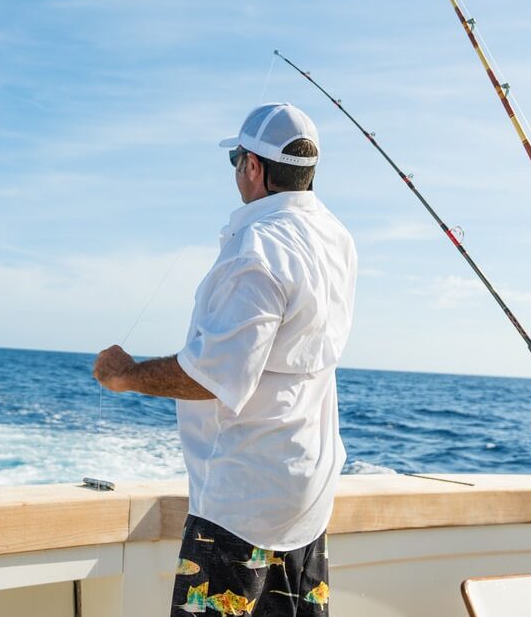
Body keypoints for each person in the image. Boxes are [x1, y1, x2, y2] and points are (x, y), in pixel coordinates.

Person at [93, 102, 357, 616]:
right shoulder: (337, 240)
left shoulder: (258, 248)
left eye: (237, 158)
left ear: (253, 168)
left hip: (243, 508)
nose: (237, 168)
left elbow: (214, 375)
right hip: (308, 499)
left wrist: (124, 376)